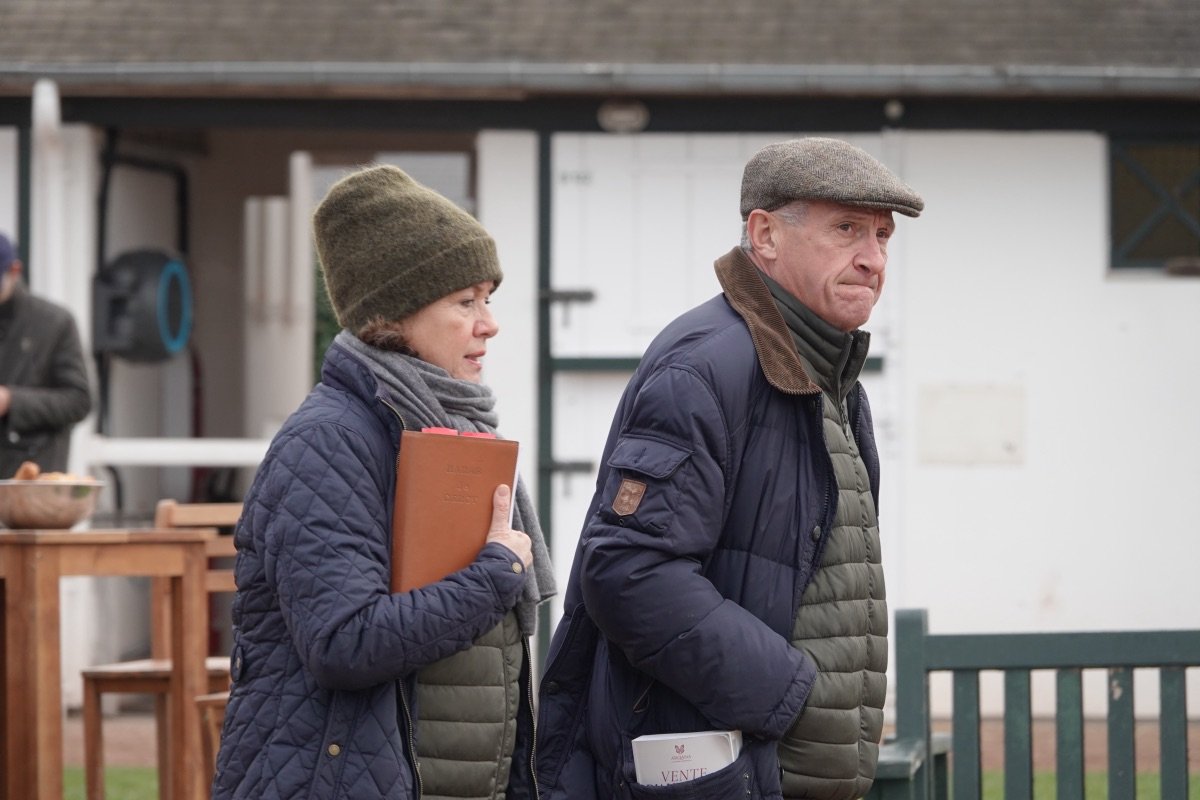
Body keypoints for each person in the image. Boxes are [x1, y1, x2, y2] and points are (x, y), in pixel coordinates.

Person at [535, 138, 924, 800]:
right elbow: (629, 573)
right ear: (764, 235)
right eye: (846, 229)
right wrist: (788, 693)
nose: (873, 258)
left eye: (882, 236)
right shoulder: (705, 369)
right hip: (726, 775)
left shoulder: (832, 380)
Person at [213, 164, 556, 800]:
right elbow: (345, 641)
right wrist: (495, 576)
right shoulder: (328, 442)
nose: (489, 323)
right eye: (465, 302)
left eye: (488, 298)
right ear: (393, 315)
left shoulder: (445, 430)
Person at [0, 232, 93, 478]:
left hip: (33, 481)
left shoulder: (54, 323)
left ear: (14, 271)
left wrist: (11, 401)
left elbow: (79, 400)